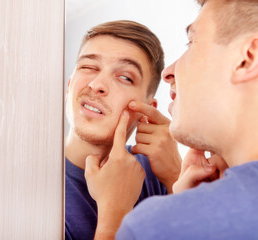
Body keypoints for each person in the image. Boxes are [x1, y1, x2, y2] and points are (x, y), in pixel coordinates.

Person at [84, 0, 258, 239]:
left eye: (191, 43)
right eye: (88, 66)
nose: (168, 72)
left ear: (248, 58)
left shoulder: (159, 226)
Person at [65, 20, 182, 240]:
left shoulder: (154, 172)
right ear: (69, 87)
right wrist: (114, 213)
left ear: (146, 111)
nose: (97, 84)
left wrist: (176, 175)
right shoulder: (27, 180)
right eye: (89, 67)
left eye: (125, 77)